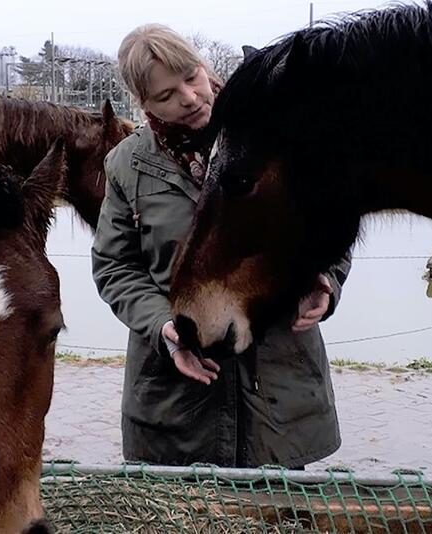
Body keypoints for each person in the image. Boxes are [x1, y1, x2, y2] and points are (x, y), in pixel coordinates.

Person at [91, 23, 352, 468]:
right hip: (174, 407)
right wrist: (163, 329)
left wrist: (326, 280)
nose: (190, 97)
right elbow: (115, 267)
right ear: (143, 103)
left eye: (191, 77)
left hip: (278, 398)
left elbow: (332, 227)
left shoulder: (276, 138)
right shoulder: (126, 165)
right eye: (166, 95)